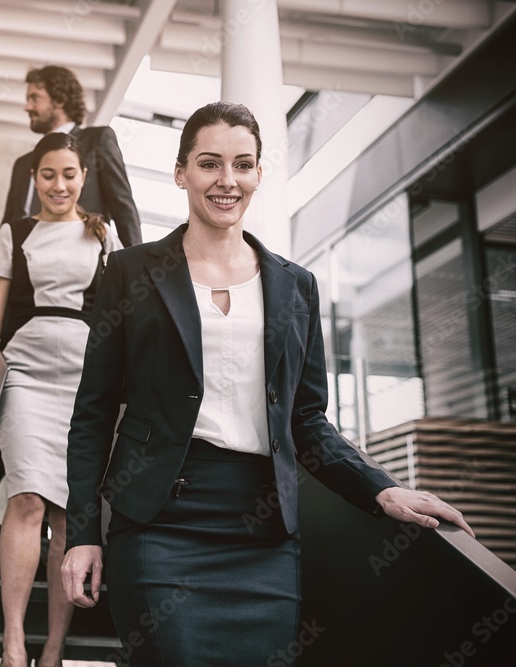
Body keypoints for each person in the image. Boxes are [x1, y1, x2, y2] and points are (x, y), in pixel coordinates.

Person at [60, 101, 475, 665]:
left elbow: (307, 420)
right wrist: (84, 532)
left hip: (263, 533)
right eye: (209, 164)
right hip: (160, 523)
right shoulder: (132, 271)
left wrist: (380, 488)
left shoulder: (295, 287)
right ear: (181, 172)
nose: (226, 181)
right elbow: (94, 411)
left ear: (258, 173)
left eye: (243, 165)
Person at [0, 64, 143, 532]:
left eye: (34, 96)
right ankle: (6, 505)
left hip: (80, 301)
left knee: (63, 426)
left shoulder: (99, 141)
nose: (27, 105)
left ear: (58, 99)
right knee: (17, 406)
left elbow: (125, 211)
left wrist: (139, 289)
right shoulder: (24, 165)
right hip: (24, 306)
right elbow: (8, 233)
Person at [0, 132, 121, 667]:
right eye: (48, 174)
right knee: (27, 499)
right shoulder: (14, 232)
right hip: (27, 373)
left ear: (84, 177)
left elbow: (120, 317)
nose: (59, 185)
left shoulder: (104, 233)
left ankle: (54, 649)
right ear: (34, 178)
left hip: (84, 380)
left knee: (66, 514)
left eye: (69, 174)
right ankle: (13, 640)